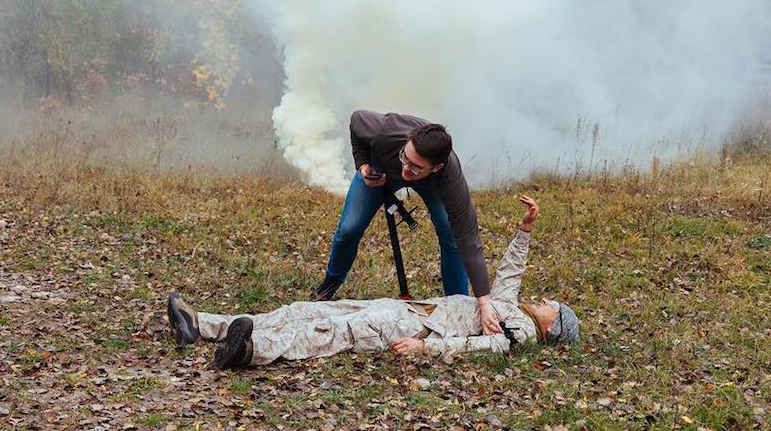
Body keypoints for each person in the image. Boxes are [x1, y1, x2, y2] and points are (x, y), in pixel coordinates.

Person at [166, 196, 579, 370]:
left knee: (335, 331)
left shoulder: (520, 332)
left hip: (417, 327)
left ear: (553, 324)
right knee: (307, 310)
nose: (546, 300)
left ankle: (251, 352)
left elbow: (478, 346)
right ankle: (201, 324)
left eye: (552, 305)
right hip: (413, 310)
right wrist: (525, 229)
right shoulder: (513, 309)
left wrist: (425, 348)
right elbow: (510, 271)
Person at [312, 110, 502, 336]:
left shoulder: (450, 179)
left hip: (430, 186)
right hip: (380, 169)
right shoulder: (385, 131)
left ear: (436, 167)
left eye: (415, 166)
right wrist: (363, 165)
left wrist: (483, 302)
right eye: (405, 157)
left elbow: (468, 239)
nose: (405, 168)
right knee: (349, 229)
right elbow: (355, 119)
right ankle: (332, 281)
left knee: (451, 237)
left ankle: (456, 301)